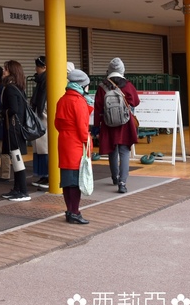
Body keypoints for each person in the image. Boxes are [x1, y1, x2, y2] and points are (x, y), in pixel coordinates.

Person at [93, 57, 140, 194]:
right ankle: (122, 183)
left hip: (108, 123)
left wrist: (96, 126)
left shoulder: (102, 86)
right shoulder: (128, 85)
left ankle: (114, 177)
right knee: (124, 151)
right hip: (125, 123)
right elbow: (136, 102)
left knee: (112, 150)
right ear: (122, 70)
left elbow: (98, 107)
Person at [55, 67, 92, 224]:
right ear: (82, 85)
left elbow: (57, 123)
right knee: (77, 180)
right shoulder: (79, 101)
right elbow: (83, 127)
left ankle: (70, 211)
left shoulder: (62, 100)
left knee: (67, 180)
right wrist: (87, 144)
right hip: (76, 144)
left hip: (64, 141)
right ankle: (75, 212)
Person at [0, 59, 31, 202]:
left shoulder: (10, 89)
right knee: (15, 158)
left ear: (11, 72)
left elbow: (13, 109)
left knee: (17, 159)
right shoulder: (19, 87)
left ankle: (22, 191)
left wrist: (3, 111)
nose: (3, 72)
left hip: (13, 129)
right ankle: (17, 188)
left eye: (5, 69)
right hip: (17, 128)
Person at [30, 56, 50, 190]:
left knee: (45, 149)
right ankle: (44, 175)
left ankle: (48, 176)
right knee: (41, 149)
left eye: (37, 66)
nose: (35, 69)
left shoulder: (46, 81)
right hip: (39, 118)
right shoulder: (40, 81)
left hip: (43, 118)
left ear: (44, 67)